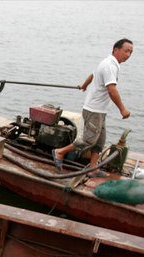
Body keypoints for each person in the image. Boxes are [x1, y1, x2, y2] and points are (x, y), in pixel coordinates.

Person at [52, 38, 133, 177]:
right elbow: (112, 90)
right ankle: (60, 152)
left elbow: (93, 74)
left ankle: (93, 168)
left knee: (99, 140)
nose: (128, 55)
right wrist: (122, 109)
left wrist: (84, 85)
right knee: (89, 140)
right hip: (94, 109)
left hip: (100, 110)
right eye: (126, 51)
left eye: (131, 52)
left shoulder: (108, 62)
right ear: (116, 49)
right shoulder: (110, 66)